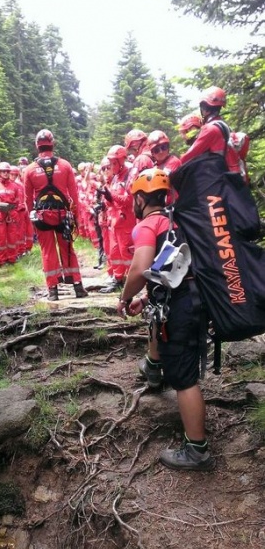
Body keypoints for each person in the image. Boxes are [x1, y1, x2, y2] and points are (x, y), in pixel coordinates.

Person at [116, 167, 214, 471]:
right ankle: (154, 367)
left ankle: (197, 450)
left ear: (142, 198)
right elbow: (173, 269)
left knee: (184, 379)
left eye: (135, 198)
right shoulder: (176, 221)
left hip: (182, 308)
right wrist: (147, 298)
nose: (134, 203)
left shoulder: (147, 225)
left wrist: (126, 296)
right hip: (196, 300)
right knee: (182, 366)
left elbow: (139, 268)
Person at [24, 129, 88, 301]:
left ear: (37, 146)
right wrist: (76, 218)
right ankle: (78, 286)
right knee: (67, 249)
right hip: (63, 215)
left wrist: (32, 221)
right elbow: (74, 196)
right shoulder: (65, 165)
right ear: (53, 144)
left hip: (42, 216)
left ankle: (53, 291)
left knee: (47, 251)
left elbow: (27, 200)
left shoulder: (29, 170)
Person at [99, 145, 136, 294]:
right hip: (114, 223)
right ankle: (118, 279)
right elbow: (111, 202)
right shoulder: (114, 178)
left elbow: (129, 201)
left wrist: (111, 196)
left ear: (121, 161)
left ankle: (132, 283)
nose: (111, 167)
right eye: (110, 164)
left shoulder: (129, 176)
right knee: (115, 253)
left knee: (127, 254)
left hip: (125, 222)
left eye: (114, 163)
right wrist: (106, 198)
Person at [180, 86, 240, 172]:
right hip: (233, 175)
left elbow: (189, 156)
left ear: (204, 107)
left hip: (220, 177)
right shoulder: (223, 126)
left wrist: (176, 166)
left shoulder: (210, 129)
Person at [0, 162, 21, 266]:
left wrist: (14, 212)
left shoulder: (15, 186)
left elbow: (18, 201)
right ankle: (1, 260)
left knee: (13, 237)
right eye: (3, 171)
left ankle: (12, 258)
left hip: (12, 213)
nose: (5, 173)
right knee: (0, 238)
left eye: (7, 172)